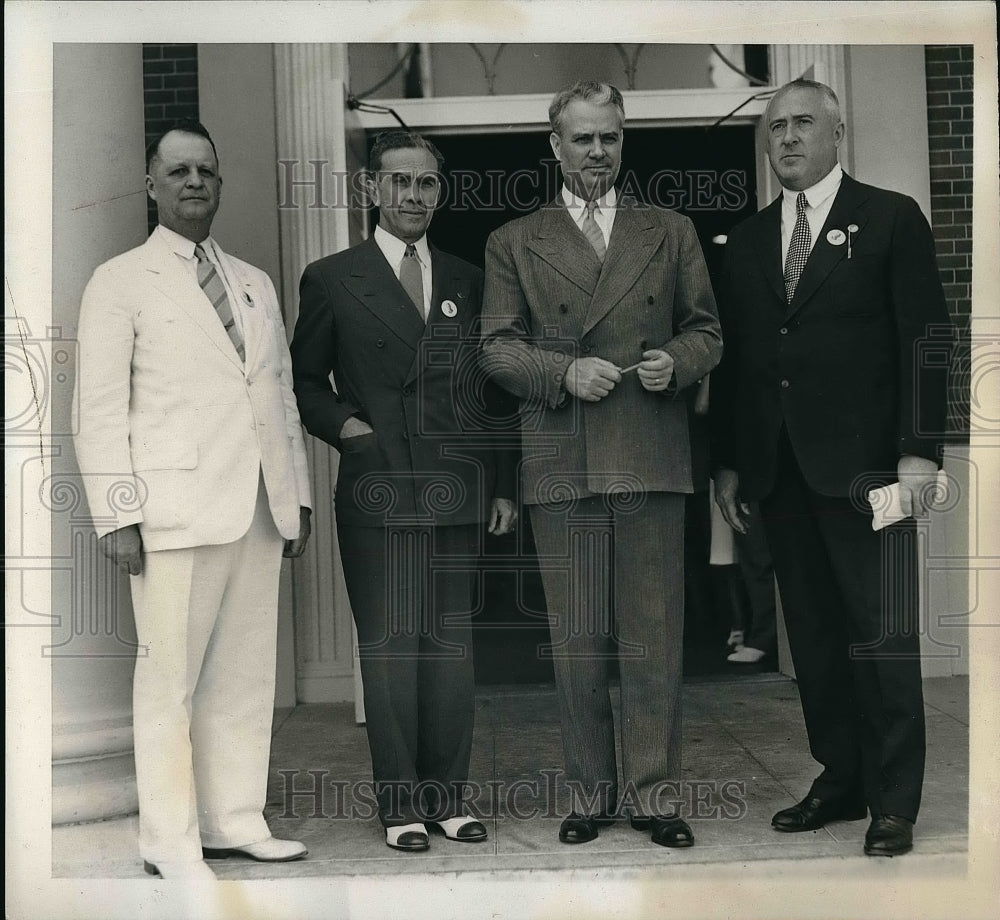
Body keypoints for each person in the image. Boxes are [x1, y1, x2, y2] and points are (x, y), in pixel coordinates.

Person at [711, 79, 950, 857]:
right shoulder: (746, 242)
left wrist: (919, 452)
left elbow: (926, 340)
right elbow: (742, 365)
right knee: (812, 642)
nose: (787, 138)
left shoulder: (889, 218)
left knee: (881, 637)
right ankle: (842, 778)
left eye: (803, 123)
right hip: (780, 476)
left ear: (838, 131)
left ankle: (893, 801)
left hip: (871, 474)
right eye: (775, 127)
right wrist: (730, 467)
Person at [480, 81, 722, 848]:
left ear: (624, 142)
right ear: (554, 147)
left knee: (653, 637)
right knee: (578, 642)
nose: (596, 152)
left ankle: (653, 796)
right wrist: (562, 374)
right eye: (582, 138)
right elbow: (496, 347)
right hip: (564, 457)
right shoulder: (515, 240)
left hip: (649, 452)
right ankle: (589, 793)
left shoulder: (671, 229)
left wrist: (676, 363)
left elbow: (708, 330)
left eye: (609, 138)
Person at [73, 121, 312, 880]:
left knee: (243, 679)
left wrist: (296, 492)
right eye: (178, 171)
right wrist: (116, 515)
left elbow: (278, 393)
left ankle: (232, 820)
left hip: (256, 505)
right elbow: (100, 409)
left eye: (206, 169)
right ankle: (169, 843)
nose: (194, 182)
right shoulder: (119, 280)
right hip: (172, 513)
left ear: (219, 179)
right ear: (151, 184)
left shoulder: (252, 280)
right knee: (168, 684)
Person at [290, 131, 517, 852]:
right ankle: (401, 807)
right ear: (372, 190)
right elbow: (302, 380)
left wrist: (502, 482)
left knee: (449, 647)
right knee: (390, 650)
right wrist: (350, 428)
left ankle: (449, 799)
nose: (413, 197)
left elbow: (490, 389)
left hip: (455, 486)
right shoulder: (332, 277)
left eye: (426, 184)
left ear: (439, 192)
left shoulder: (464, 277)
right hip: (379, 484)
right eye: (399, 183)